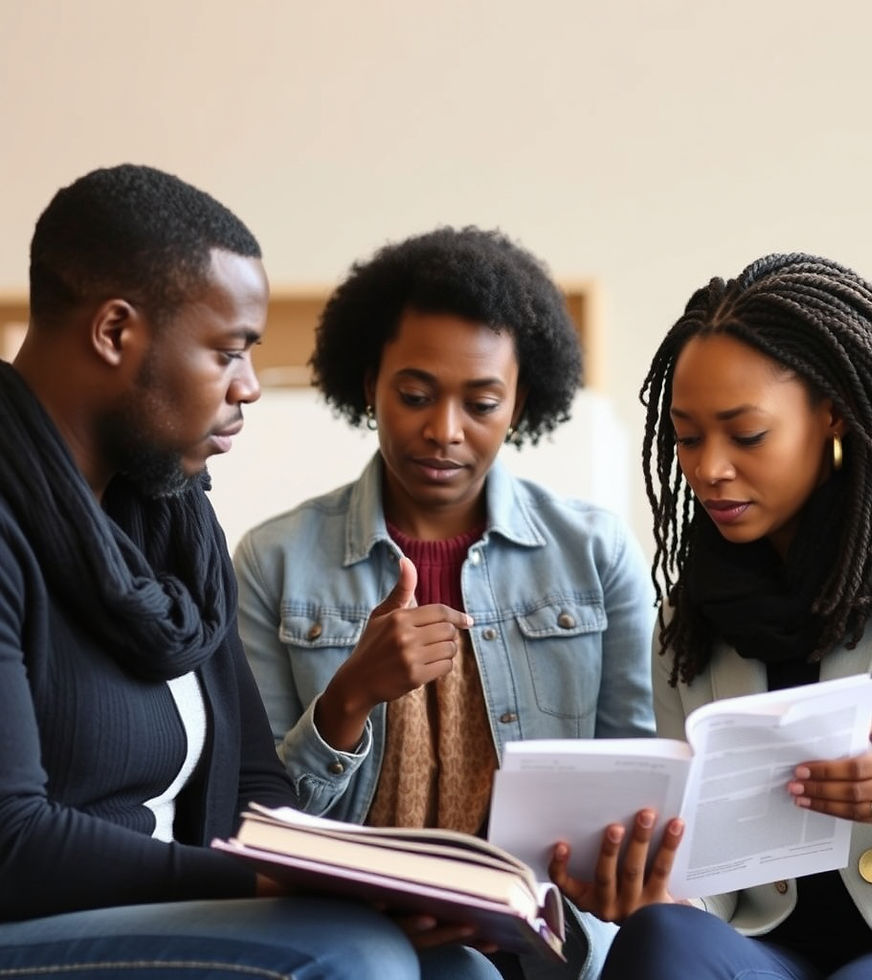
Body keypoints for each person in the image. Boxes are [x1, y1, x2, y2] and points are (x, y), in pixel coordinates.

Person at [0, 164, 500, 980]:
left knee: (458, 972)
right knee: (355, 957)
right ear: (115, 332)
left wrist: (389, 880)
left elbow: (253, 797)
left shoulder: (172, 523)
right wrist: (276, 882)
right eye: (227, 353)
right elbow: (11, 842)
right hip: (29, 928)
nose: (249, 387)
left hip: (161, 919)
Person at [233, 226, 656, 980]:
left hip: (554, 939)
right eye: (416, 395)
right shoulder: (274, 561)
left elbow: (634, 781)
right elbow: (258, 825)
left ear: (522, 402)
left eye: (482, 402)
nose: (444, 431)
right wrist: (349, 697)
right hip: (355, 938)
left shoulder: (596, 554)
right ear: (369, 383)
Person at [547, 253, 872, 980]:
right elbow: (710, 870)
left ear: (832, 412)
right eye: (686, 437)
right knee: (659, 942)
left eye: (745, 435)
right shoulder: (692, 612)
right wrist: (659, 893)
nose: (709, 468)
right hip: (765, 950)